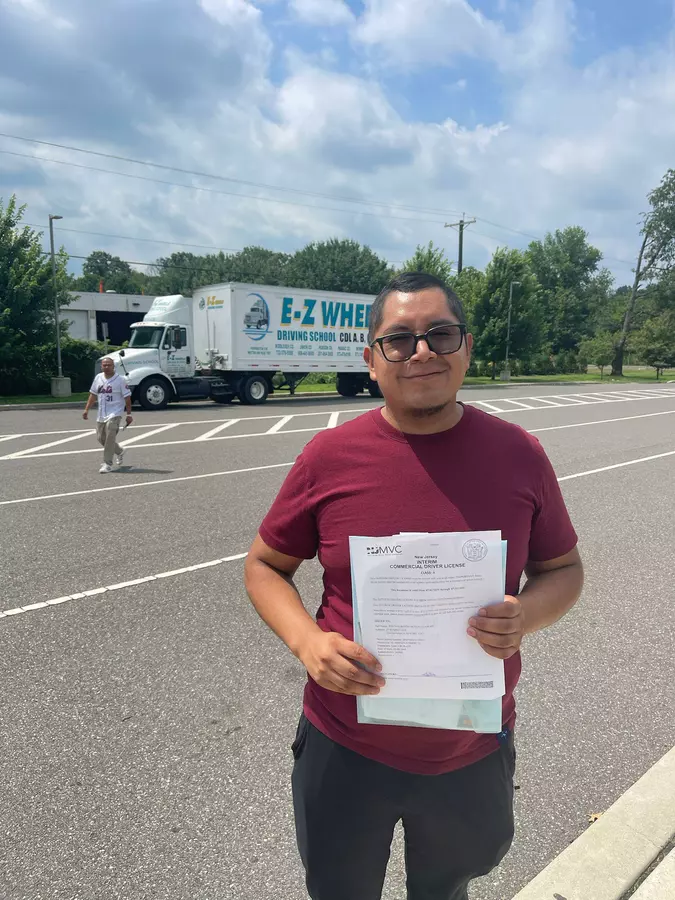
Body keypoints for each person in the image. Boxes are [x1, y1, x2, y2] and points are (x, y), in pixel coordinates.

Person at [244, 272, 584, 900]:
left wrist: (526, 615)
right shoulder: (328, 457)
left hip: (472, 745)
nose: (421, 351)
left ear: (467, 348)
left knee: (447, 889)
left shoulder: (520, 453)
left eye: (440, 334)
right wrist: (307, 643)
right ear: (371, 360)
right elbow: (265, 566)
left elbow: (563, 569)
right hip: (345, 741)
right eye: (398, 339)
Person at [83, 357, 133, 473]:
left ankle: (107, 463)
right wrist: (86, 410)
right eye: (104, 365)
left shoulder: (120, 380)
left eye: (109, 365)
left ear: (113, 366)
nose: (106, 367)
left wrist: (129, 414)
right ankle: (119, 451)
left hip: (115, 413)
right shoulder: (98, 378)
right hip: (101, 413)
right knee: (101, 438)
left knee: (110, 434)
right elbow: (93, 394)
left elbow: (127, 398)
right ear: (101, 366)